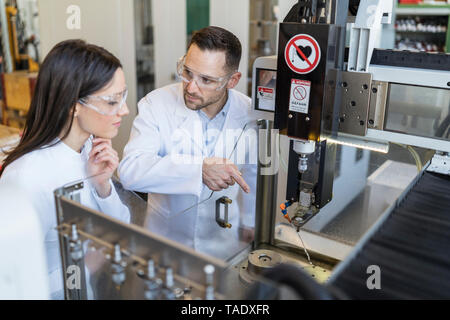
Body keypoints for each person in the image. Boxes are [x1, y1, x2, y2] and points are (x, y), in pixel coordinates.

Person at [0, 39, 131, 299]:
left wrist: (103, 186)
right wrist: (85, 264)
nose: (125, 110)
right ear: (74, 105)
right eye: (112, 101)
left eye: (123, 97)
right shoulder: (26, 177)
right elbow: (10, 282)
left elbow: (122, 230)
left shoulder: (90, 151)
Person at [119, 26, 257, 259]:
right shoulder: (156, 104)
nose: (191, 87)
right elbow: (130, 171)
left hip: (224, 241)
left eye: (206, 80)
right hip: (166, 241)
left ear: (232, 80)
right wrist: (198, 170)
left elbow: (252, 172)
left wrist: (249, 220)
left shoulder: (250, 113)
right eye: (187, 73)